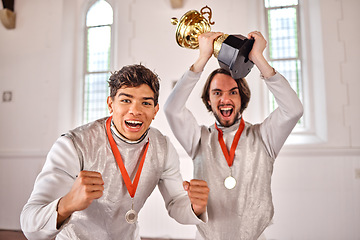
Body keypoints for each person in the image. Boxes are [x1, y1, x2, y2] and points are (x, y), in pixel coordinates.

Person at [20, 64, 209, 240]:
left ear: (155, 110)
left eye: (145, 103)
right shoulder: (73, 145)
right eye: (126, 100)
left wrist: (195, 206)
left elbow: (176, 203)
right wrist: (67, 204)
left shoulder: (162, 147)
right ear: (111, 104)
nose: (135, 110)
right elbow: (29, 226)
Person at [164, 31, 303, 240]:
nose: (225, 98)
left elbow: (293, 110)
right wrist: (202, 58)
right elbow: (172, 109)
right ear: (208, 100)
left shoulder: (264, 137)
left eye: (233, 92)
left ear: (243, 97)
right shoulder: (198, 138)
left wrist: (257, 58)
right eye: (217, 92)